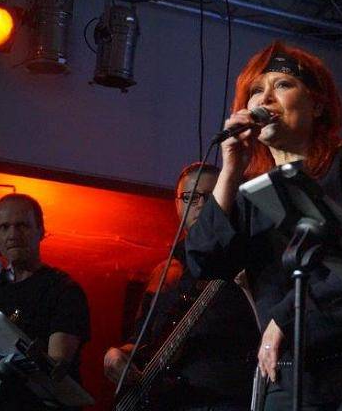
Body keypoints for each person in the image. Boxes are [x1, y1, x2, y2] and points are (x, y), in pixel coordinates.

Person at [183, 41, 342, 410]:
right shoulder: (251, 196)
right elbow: (205, 260)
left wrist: (284, 318)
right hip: (293, 369)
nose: (265, 99)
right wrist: (230, 169)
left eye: (282, 84)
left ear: (317, 105)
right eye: (255, 90)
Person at [103, 162, 260, 411]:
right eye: (190, 197)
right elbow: (142, 339)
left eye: (212, 196)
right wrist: (117, 355)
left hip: (222, 399)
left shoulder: (249, 262)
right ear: (177, 204)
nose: (201, 204)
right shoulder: (165, 271)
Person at [0, 193, 90, 407]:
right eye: (4, 227)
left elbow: (56, 369)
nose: (12, 235)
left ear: (41, 231)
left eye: (22, 226)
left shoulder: (63, 290)